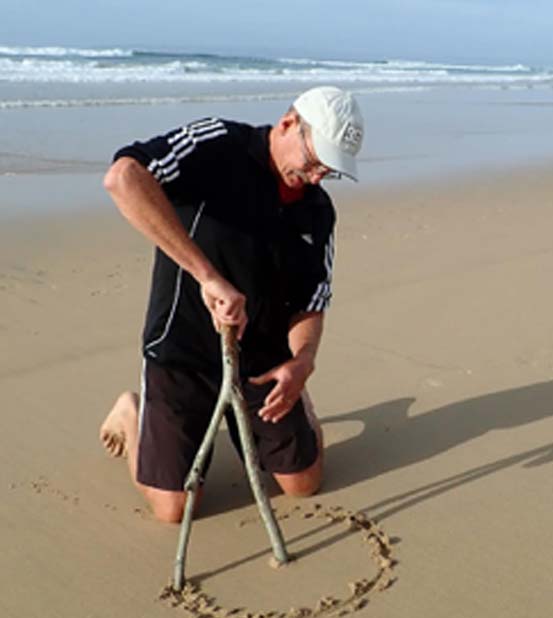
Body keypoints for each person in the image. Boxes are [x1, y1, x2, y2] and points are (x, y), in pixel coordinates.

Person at [99, 85, 364, 523]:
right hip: (182, 351)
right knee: (175, 509)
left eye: (329, 170)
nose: (318, 176)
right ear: (288, 125)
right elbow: (124, 178)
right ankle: (134, 413)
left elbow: (312, 301)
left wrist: (303, 361)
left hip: (262, 359)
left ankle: (299, 405)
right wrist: (207, 277)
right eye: (315, 161)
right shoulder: (218, 145)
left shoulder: (317, 212)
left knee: (303, 484)